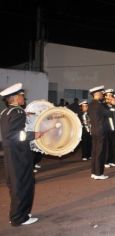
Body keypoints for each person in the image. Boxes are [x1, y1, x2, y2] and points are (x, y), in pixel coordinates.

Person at [0, 83, 44, 226]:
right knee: (23, 184)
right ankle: (20, 217)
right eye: (22, 96)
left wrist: (25, 114)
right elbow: (16, 134)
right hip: (19, 154)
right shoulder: (18, 112)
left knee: (15, 184)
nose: (24, 98)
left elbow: (8, 132)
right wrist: (34, 134)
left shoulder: (6, 112)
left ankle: (18, 213)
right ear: (15, 98)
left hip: (10, 153)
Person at [88, 85, 110, 180]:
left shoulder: (91, 104)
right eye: (101, 93)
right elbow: (109, 113)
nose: (103, 95)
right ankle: (98, 173)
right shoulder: (99, 105)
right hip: (101, 130)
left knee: (94, 151)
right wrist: (110, 104)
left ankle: (93, 172)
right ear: (97, 94)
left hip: (94, 130)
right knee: (100, 152)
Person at [103, 89, 115, 168]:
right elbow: (108, 113)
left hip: (113, 128)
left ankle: (112, 160)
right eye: (108, 95)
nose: (110, 97)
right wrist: (113, 106)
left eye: (111, 95)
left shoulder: (113, 105)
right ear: (105, 96)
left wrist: (114, 105)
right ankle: (106, 161)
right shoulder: (103, 105)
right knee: (107, 146)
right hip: (106, 128)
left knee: (113, 145)